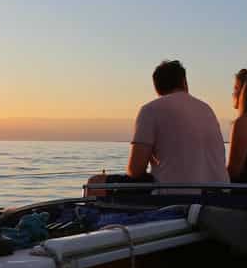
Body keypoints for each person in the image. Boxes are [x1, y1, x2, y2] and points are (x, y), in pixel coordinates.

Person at [86, 60, 227, 196]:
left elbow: (135, 170)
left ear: (156, 87)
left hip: (175, 196)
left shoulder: (151, 110)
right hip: (219, 194)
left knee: (95, 183)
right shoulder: (207, 109)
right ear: (184, 82)